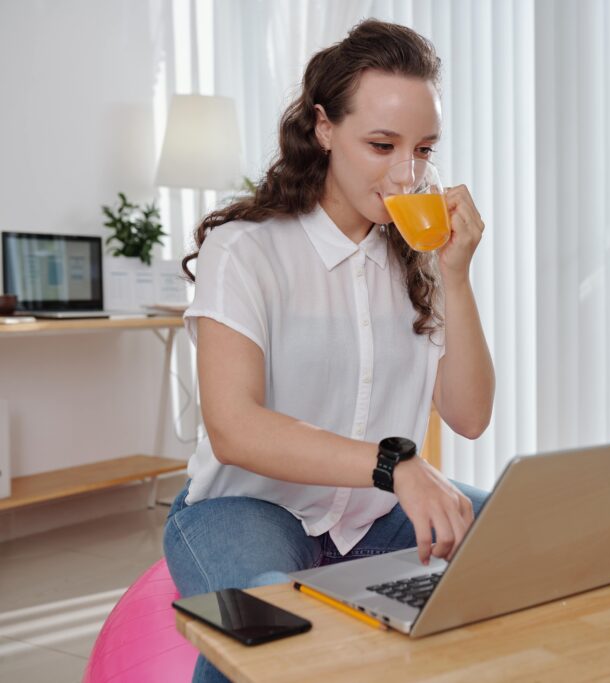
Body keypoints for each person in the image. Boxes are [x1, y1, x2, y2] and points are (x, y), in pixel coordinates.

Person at [163, 19, 495, 682]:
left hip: (376, 517)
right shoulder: (247, 248)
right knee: (265, 631)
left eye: (424, 150)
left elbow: (469, 414)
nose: (407, 171)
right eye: (382, 144)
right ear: (323, 128)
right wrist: (395, 466)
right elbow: (234, 427)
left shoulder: (416, 258)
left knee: (529, 542)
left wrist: (455, 274)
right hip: (250, 505)